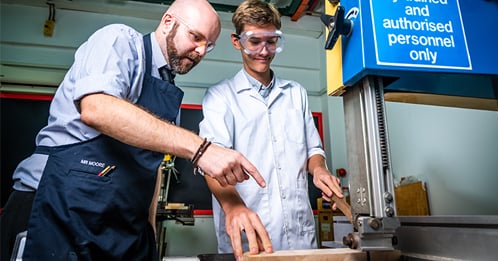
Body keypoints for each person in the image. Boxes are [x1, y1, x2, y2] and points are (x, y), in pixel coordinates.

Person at [0, 0, 267, 260]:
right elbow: (97, 108)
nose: (200, 51)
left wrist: (147, 227)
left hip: (120, 223)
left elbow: (151, 168)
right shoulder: (119, 40)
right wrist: (201, 149)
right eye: (195, 37)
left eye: (208, 45)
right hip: (55, 209)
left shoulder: (168, 92)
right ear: (168, 22)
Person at [198, 0, 344, 260]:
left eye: (272, 41)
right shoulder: (220, 97)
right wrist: (233, 207)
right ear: (237, 41)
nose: (264, 51)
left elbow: (313, 149)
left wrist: (319, 169)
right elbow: (211, 163)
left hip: (301, 239)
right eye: (254, 41)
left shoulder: (296, 93)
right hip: (248, 239)